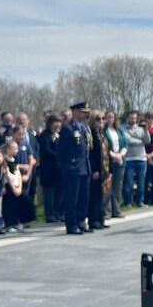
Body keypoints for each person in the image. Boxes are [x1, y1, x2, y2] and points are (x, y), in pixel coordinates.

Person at [57, 101, 93, 235]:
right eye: (83, 112)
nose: (86, 115)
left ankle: (81, 222)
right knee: (72, 199)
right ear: (75, 112)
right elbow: (61, 152)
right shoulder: (68, 129)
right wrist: (66, 166)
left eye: (87, 113)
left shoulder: (84, 128)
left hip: (84, 167)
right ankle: (71, 225)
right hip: (72, 168)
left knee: (84, 197)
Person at [87, 111, 110, 230]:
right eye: (98, 119)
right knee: (94, 196)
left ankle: (101, 219)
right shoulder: (91, 133)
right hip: (95, 169)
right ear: (92, 120)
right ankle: (93, 220)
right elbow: (90, 153)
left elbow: (107, 152)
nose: (101, 121)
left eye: (103, 118)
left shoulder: (102, 133)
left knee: (102, 196)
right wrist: (94, 169)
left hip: (104, 169)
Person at [37, 115, 63, 223]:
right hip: (48, 169)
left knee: (58, 193)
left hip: (59, 170)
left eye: (59, 122)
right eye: (55, 122)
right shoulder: (45, 135)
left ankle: (57, 212)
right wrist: (59, 156)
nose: (57, 124)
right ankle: (49, 214)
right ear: (50, 123)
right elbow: (46, 150)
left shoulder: (59, 135)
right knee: (49, 194)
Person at [122, 110, 150, 207]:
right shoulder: (124, 129)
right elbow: (128, 140)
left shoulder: (142, 129)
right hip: (129, 159)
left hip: (141, 159)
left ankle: (140, 201)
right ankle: (127, 202)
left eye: (135, 117)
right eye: (131, 117)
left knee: (141, 182)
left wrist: (146, 131)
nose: (133, 119)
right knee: (128, 182)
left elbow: (147, 141)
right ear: (128, 118)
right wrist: (140, 141)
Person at [103, 110, 126, 219]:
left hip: (120, 161)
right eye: (108, 117)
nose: (110, 119)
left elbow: (125, 145)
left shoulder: (119, 130)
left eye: (112, 117)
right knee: (108, 187)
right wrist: (114, 156)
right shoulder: (103, 131)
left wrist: (120, 155)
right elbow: (105, 147)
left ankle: (116, 210)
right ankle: (107, 211)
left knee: (117, 187)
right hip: (109, 161)